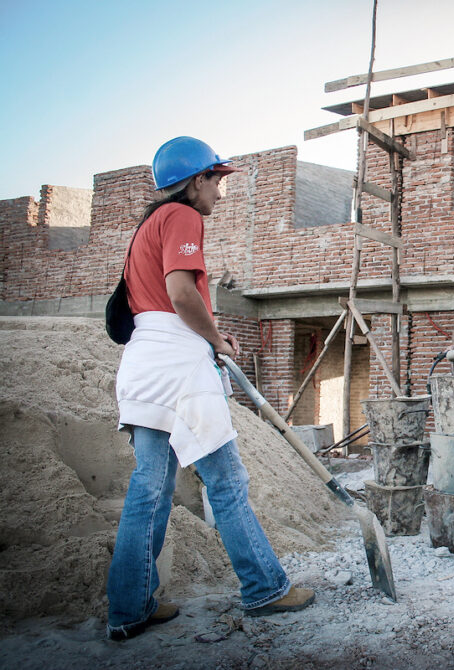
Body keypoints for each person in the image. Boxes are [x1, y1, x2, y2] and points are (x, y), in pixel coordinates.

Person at [107, 137, 314, 641]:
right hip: (179, 364)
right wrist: (217, 338)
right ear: (196, 179)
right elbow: (180, 292)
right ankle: (265, 587)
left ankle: (129, 608)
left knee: (149, 490)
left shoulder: (145, 228)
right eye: (216, 180)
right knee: (226, 481)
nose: (220, 193)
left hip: (143, 366)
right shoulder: (182, 217)